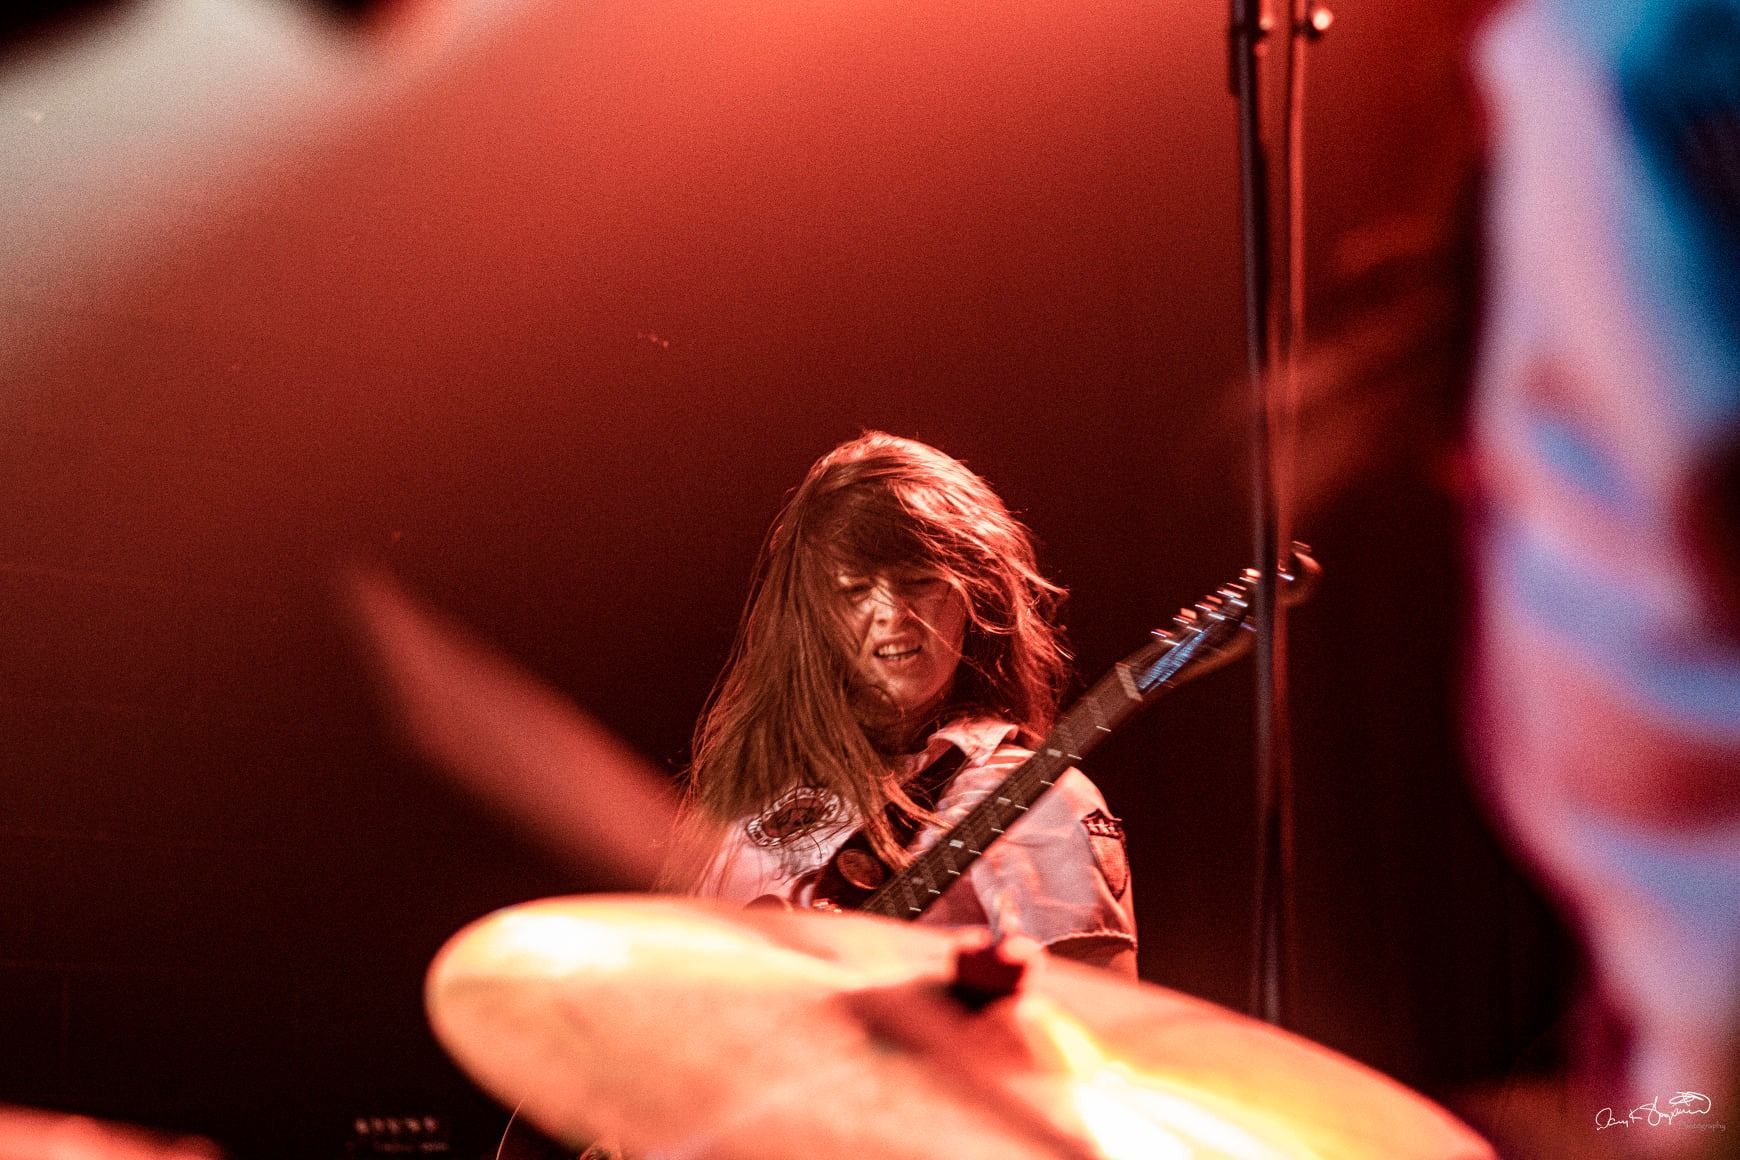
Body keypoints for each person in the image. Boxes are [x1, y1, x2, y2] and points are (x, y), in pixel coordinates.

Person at [663, 431, 1138, 976]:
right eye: (855, 589)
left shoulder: (1038, 802)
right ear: (811, 616)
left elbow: (1098, 1034)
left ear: (975, 596)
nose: (893, 612)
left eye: (920, 581)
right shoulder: (752, 797)